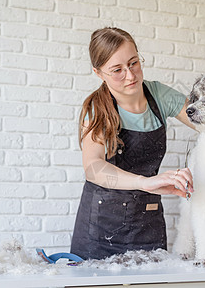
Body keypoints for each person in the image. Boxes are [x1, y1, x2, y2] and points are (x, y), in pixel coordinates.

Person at [70, 27, 195, 260]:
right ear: (99, 73)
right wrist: (145, 182)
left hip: (147, 223)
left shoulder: (159, 96)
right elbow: (93, 167)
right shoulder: (98, 109)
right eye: (117, 70)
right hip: (101, 230)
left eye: (134, 63)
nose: (130, 75)